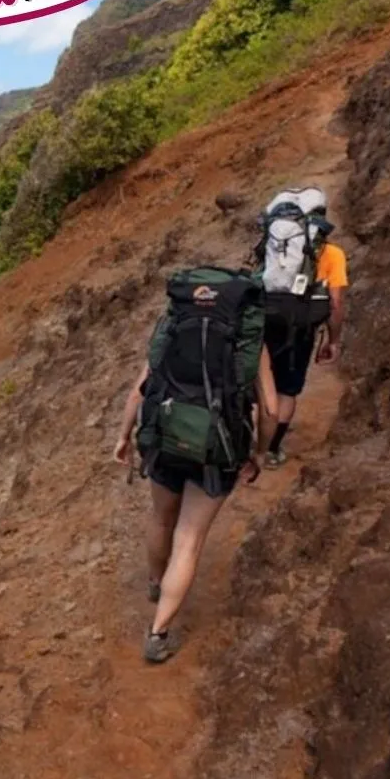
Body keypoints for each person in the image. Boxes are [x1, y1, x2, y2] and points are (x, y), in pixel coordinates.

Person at [113, 272, 279, 665]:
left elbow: (141, 388)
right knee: (189, 537)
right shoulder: (249, 341)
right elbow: (270, 409)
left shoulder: (172, 327)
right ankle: (158, 633)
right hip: (218, 448)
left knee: (161, 518)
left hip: (164, 438)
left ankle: (156, 583)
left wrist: (123, 436)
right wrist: (259, 453)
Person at [255, 187, 348, 468]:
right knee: (285, 390)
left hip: (262, 318)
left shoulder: (270, 245)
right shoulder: (332, 254)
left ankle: (241, 444)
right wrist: (333, 340)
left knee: (257, 382)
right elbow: (335, 303)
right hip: (300, 328)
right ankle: (269, 450)